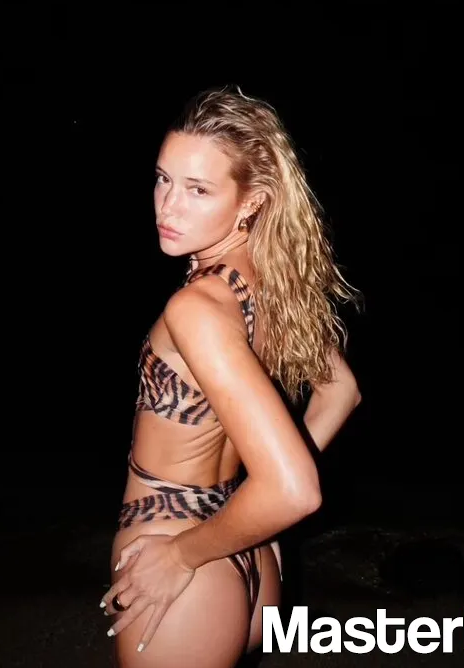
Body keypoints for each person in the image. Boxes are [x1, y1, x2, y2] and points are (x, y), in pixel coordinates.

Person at [100, 86, 362, 666]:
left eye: (198, 189)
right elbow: (341, 391)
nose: (168, 206)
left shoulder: (197, 307)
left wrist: (182, 555)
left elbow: (295, 489)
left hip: (178, 546)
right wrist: (247, 515)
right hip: (250, 553)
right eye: (163, 179)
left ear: (251, 202)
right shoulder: (273, 289)